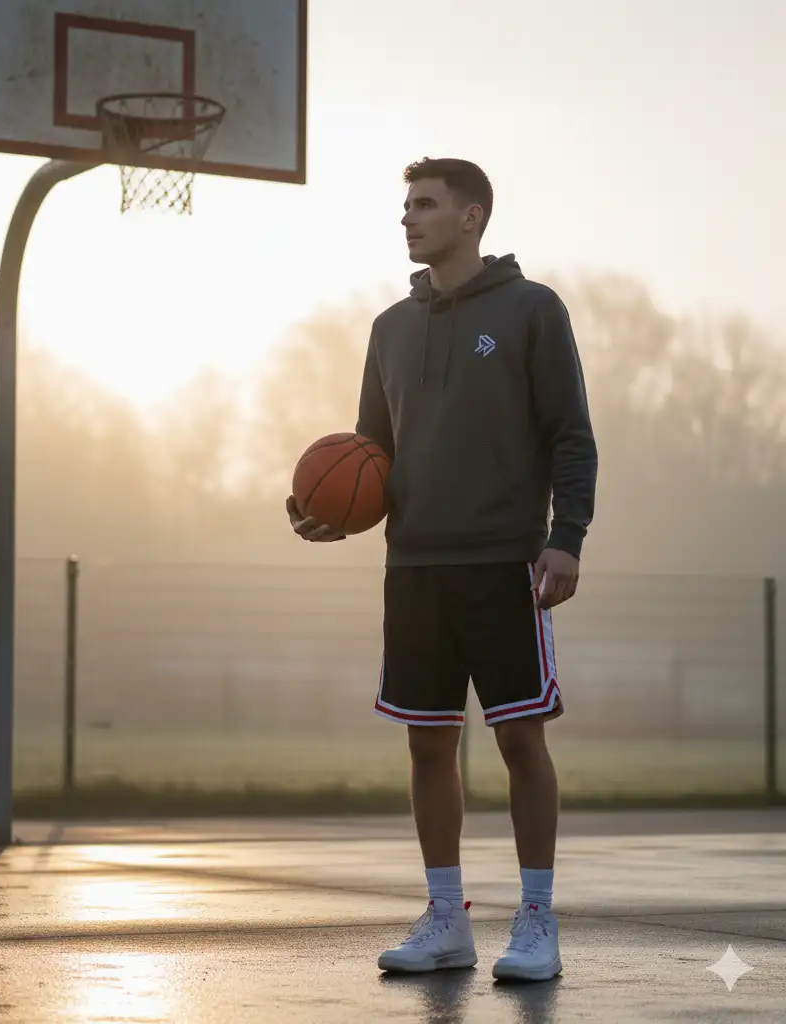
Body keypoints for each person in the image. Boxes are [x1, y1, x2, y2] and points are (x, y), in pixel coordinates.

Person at [286, 157, 598, 982]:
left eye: (424, 205)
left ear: (472, 217)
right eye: (404, 205)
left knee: (521, 742)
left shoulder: (533, 310)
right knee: (429, 748)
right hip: (415, 567)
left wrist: (568, 536)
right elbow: (369, 456)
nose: (407, 219)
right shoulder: (389, 327)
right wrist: (332, 515)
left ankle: (536, 920)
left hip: (504, 563)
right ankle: (446, 916)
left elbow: (571, 433)